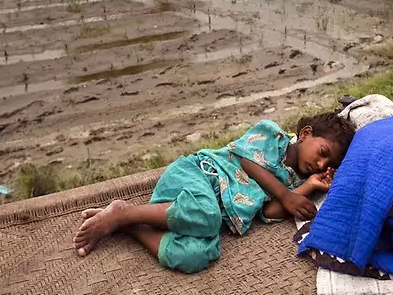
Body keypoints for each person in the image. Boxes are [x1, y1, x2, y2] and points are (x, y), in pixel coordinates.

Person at [73, 112, 356, 273]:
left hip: (197, 217)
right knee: (207, 215)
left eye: (327, 165)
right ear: (305, 133)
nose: (320, 163)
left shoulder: (293, 184)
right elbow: (246, 159)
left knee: (200, 254)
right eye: (323, 153)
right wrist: (286, 195)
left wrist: (306, 188)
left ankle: (131, 226)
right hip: (194, 175)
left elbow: (267, 212)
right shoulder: (273, 135)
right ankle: (123, 211)